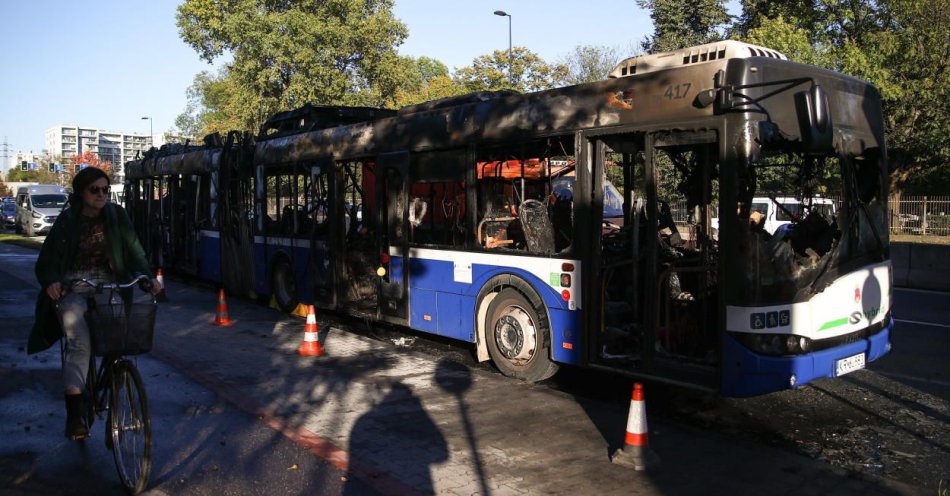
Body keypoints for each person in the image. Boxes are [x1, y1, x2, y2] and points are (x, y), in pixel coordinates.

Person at [29, 167, 162, 440]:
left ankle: (113, 391)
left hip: (110, 284)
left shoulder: (117, 216)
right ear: (82, 193)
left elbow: (134, 250)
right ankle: (75, 415)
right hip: (73, 287)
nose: (102, 195)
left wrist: (147, 277)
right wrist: (53, 281)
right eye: (95, 190)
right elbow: (47, 261)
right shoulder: (68, 220)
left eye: (105, 189)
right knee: (80, 342)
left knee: (119, 337)